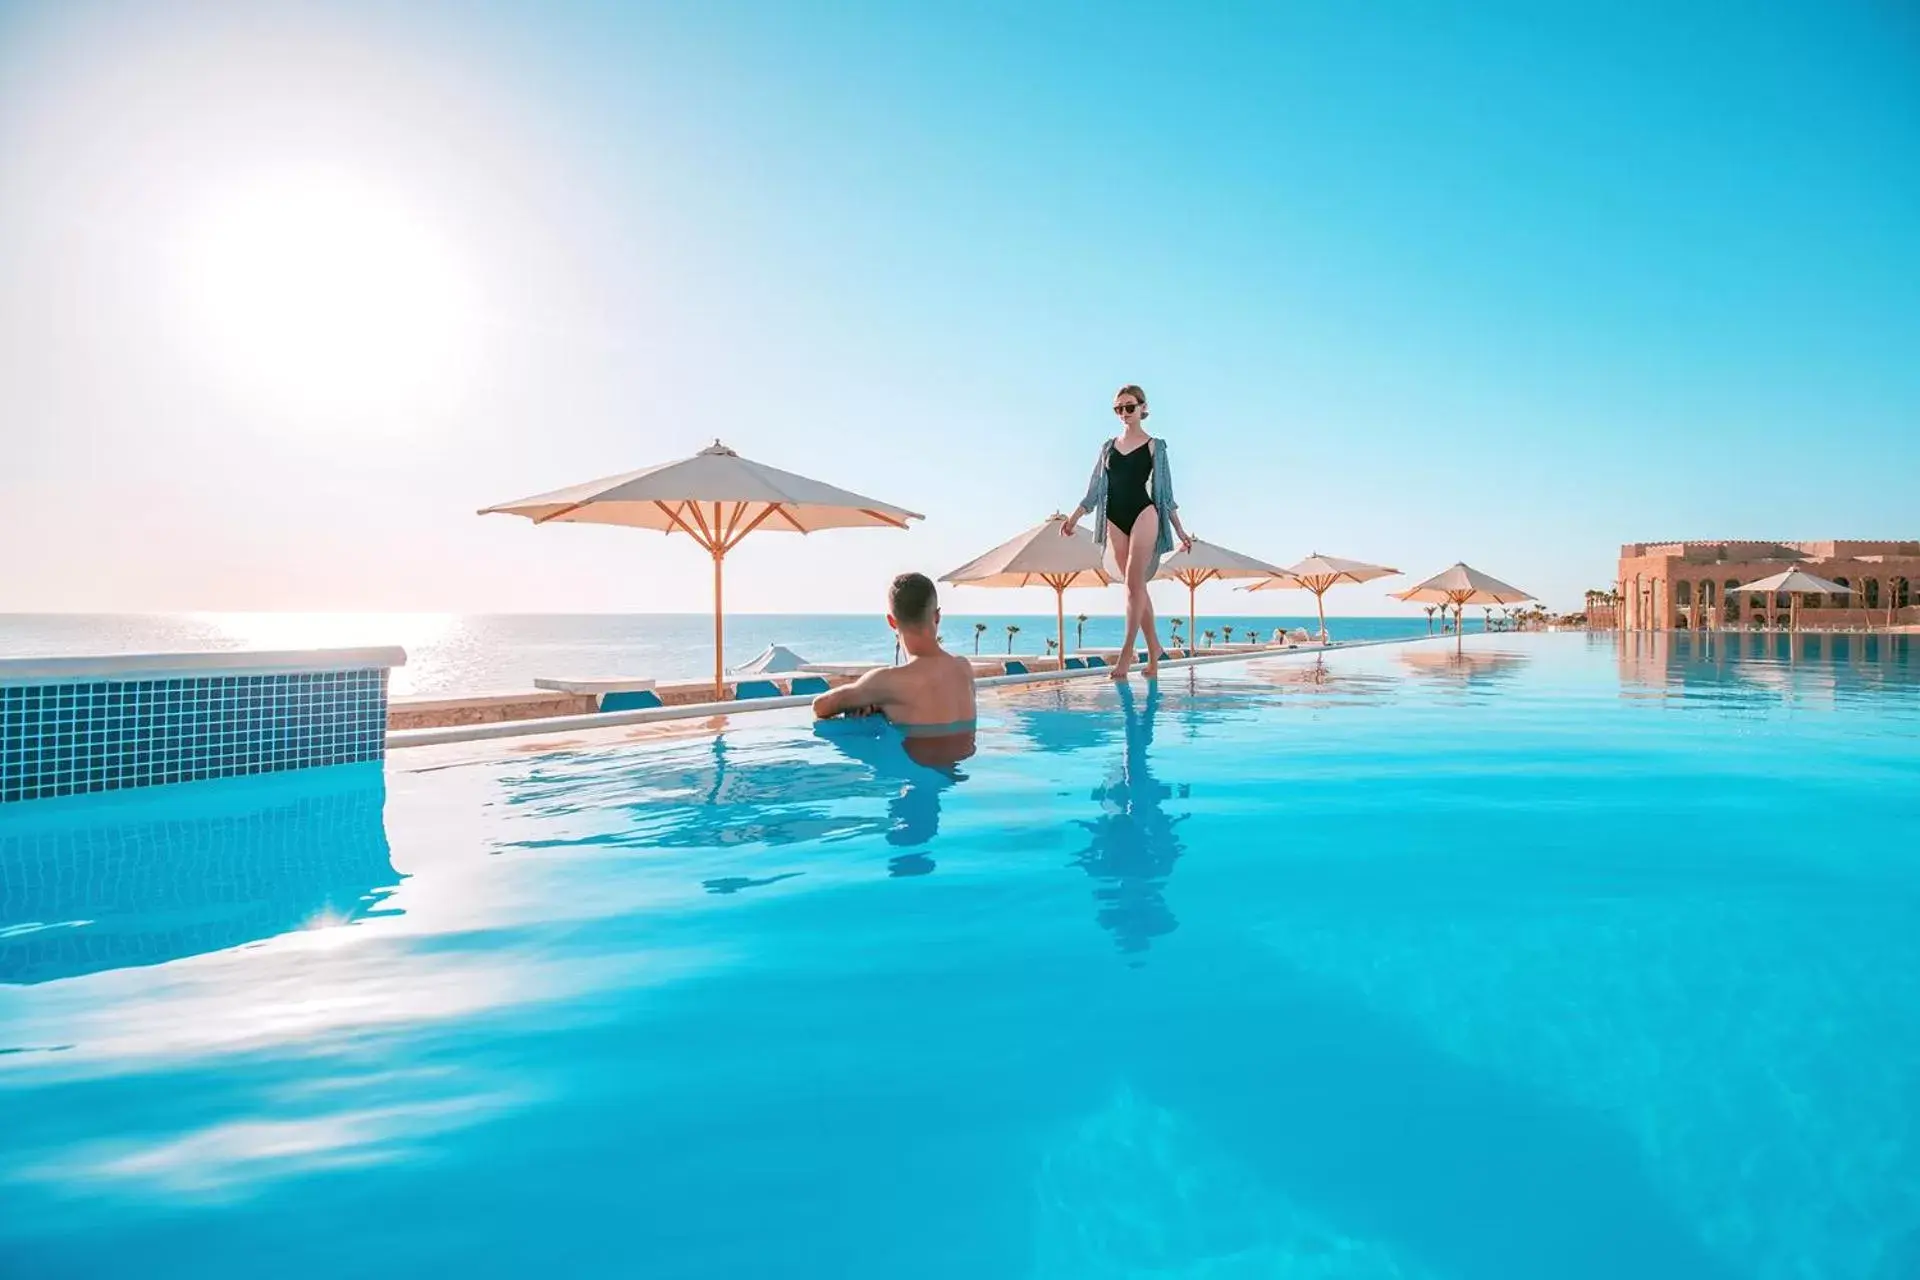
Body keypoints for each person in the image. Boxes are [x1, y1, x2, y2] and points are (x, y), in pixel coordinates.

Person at [1060, 383, 1194, 680]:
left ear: (1143, 408)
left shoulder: (1155, 447)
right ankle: (1155, 652)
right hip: (1114, 517)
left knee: (1135, 582)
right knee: (1135, 588)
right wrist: (1073, 518)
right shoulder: (1107, 447)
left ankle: (1126, 656)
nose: (1124, 413)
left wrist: (1181, 531)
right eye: (1118, 408)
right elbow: (1094, 489)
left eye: (1129, 407)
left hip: (1145, 512)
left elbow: (1166, 494)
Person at [812, 572, 976, 768]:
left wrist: (875, 699)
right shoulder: (963, 668)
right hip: (959, 775)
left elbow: (820, 707)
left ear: (891, 621)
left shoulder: (888, 682)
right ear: (937, 616)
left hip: (918, 774)